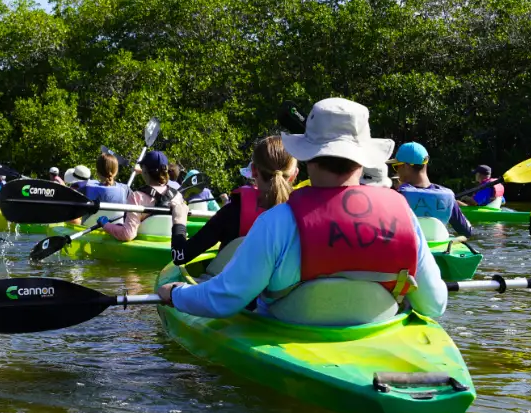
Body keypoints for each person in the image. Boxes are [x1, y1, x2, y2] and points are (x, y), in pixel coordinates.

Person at [157, 98, 445, 327]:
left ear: (306, 157)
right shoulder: (403, 215)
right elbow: (434, 305)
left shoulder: (277, 221)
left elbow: (225, 300)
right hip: (375, 331)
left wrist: (176, 293)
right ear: (364, 159)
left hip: (290, 331)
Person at [179, 135, 296, 267]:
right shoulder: (302, 215)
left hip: (231, 285)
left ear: (253, 171)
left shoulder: (233, 211)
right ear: (294, 175)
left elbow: (180, 255)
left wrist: (179, 220)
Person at [389, 142, 476, 242]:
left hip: (409, 248)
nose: (396, 171)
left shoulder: (398, 196)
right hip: (438, 250)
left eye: (396, 166)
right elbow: (467, 231)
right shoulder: (448, 196)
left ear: (406, 166)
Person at [119, 150, 189, 246]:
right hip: (170, 245)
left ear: (144, 171)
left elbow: (128, 234)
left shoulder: (136, 197)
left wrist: (105, 225)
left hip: (143, 248)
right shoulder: (178, 196)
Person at [81, 152, 138, 239]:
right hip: (115, 235)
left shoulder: (86, 188)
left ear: (97, 172)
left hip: (89, 234)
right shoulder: (125, 190)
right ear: (116, 171)